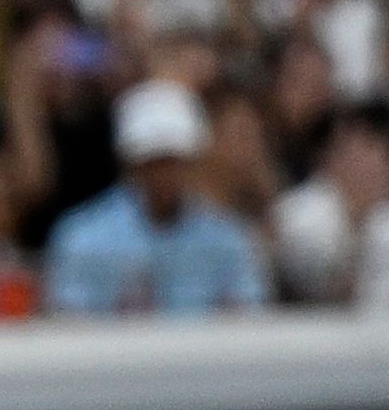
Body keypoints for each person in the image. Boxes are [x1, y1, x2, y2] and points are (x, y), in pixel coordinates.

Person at [44, 80, 271, 313]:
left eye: (173, 161)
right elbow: (69, 320)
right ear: (129, 163)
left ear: (192, 161)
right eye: (152, 162)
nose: (164, 174)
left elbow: (248, 317)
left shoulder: (228, 240)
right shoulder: (82, 239)